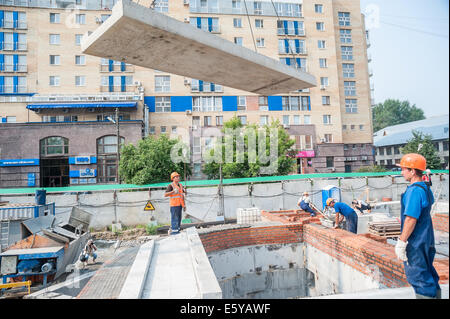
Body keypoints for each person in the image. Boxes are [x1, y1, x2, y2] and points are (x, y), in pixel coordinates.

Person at [394, 153, 441, 299]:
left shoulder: (414, 190)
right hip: (426, 238)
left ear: (413, 171)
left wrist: (402, 242)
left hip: (416, 241)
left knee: (418, 277)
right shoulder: (425, 188)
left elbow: (410, 219)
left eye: (403, 169)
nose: (401, 172)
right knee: (428, 275)